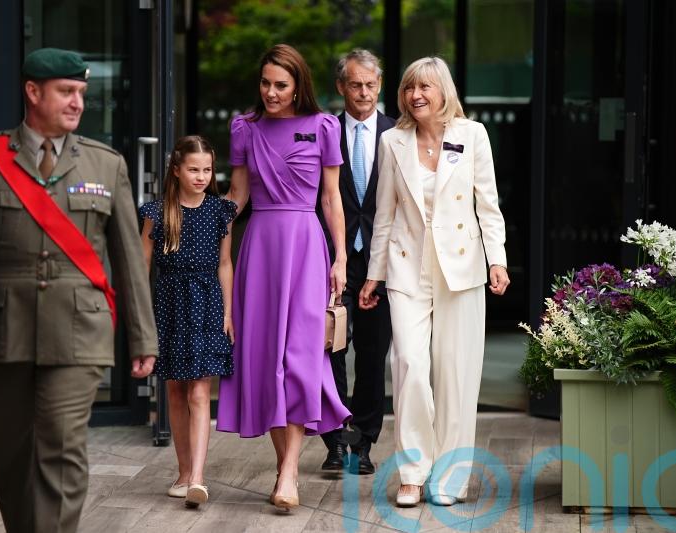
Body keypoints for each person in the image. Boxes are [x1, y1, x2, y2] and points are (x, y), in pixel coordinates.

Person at [0, 48, 158, 532]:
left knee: (61, 447)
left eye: (81, 92)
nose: (78, 102)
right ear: (33, 92)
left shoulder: (106, 165)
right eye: (66, 92)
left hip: (79, 330)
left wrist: (143, 338)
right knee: (11, 454)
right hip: (0, 329)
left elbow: (128, 259)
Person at [359, 56, 510, 507]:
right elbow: (384, 214)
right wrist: (373, 275)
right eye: (409, 88)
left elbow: (489, 205)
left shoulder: (473, 135)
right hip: (408, 269)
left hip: (461, 270)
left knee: (456, 377)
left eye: (425, 87)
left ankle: (449, 478)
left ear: (443, 91)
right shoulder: (392, 141)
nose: (415, 95)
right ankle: (412, 471)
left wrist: (497, 261)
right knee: (409, 365)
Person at [216, 43, 351, 512]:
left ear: (298, 87)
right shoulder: (245, 128)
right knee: (265, 361)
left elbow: (332, 200)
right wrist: (202, 234)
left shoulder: (323, 127)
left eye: (281, 85)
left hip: (307, 248)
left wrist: (341, 259)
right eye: (265, 84)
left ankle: (290, 470)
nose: (271, 93)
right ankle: (285, 466)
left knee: (299, 359)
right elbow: (236, 195)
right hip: (261, 249)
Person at [138, 135, 236, 508]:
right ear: (176, 170)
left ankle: (198, 477)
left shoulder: (220, 211)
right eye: (193, 169)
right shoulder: (156, 213)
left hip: (208, 303)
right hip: (167, 305)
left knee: (198, 390)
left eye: (207, 170)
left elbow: (225, 263)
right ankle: (182, 473)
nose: (201, 176)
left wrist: (228, 311)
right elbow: (140, 267)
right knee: (175, 391)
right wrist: (141, 318)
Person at [317, 49, 395, 476]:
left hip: (382, 262)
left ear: (379, 85)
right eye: (354, 84)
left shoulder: (397, 133)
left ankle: (364, 442)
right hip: (333, 258)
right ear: (340, 87)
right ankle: (335, 438)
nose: (363, 92)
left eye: (370, 84)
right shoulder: (324, 130)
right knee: (330, 349)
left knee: (371, 352)